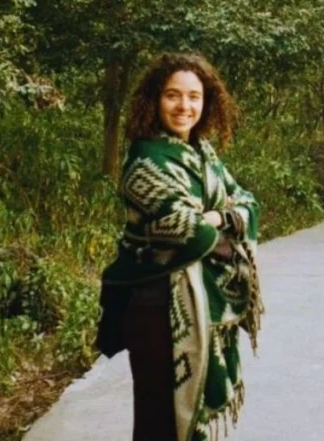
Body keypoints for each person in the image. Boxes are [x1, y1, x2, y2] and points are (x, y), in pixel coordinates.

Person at [96, 53, 263, 441]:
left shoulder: (204, 154)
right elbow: (192, 235)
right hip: (157, 309)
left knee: (186, 424)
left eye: (194, 97)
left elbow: (250, 205)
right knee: (160, 424)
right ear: (156, 99)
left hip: (198, 311)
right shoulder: (145, 159)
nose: (184, 106)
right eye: (173, 95)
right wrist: (221, 221)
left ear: (206, 103)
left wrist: (218, 217)